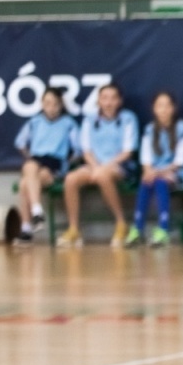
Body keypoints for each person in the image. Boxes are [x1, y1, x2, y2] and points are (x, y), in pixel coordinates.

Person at [60, 82, 139, 248]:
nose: (108, 102)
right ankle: (74, 229)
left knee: (103, 176)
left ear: (119, 101)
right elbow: (86, 150)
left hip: (120, 166)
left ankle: (121, 224)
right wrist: (95, 167)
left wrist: (105, 167)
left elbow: (127, 151)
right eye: (104, 98)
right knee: (70, 179)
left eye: (112, 98)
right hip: (94, 165)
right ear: (98, 101)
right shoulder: (89, 120)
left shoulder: (128, 118)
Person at [12, 87, 79, 245]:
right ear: (42, 104)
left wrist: (67, 163)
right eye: (47, 103)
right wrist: (29, 155)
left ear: (61, 105)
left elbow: (78, 149)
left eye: (55, 103)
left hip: (54, 161)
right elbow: (20, 143)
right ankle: (35, 214)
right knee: (29, 172)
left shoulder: (68, 123)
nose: (51, 107)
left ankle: (28, 226)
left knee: (25, 182)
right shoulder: (35, 122)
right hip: (36, 159)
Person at [127, 91, 183, 248]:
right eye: (159, 106)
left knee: (160, 182)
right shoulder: (150, 129)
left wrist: (157, 172)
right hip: (155, 173)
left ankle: (163, 229)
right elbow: (146, 158)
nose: (163, 110)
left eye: (167, 105)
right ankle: (137, 228)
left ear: (173, 108)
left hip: (179, 173)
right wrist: (149, 171)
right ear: (154, 109)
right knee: (147, 182)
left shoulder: (182, 128)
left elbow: (180, 161)